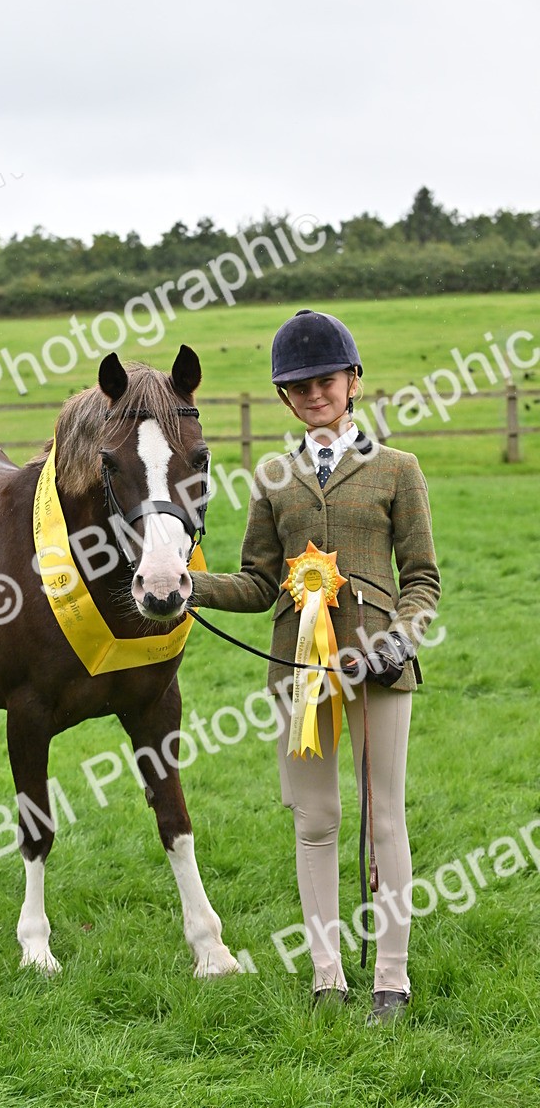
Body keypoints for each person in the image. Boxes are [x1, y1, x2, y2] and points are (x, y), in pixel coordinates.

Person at [191, 308, 441, 1023]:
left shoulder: (398, 470)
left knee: (383, 817)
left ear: (354, 380)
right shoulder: (273, 478)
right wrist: (190, 587)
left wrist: (402, 638)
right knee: (316, 818)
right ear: (284, 397)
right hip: (298, 670)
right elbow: (257, 582)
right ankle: (326, 975)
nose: (314, 395)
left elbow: (422, 577)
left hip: (379, 666)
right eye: (298, 387)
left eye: (325, 380)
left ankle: (391, 978)